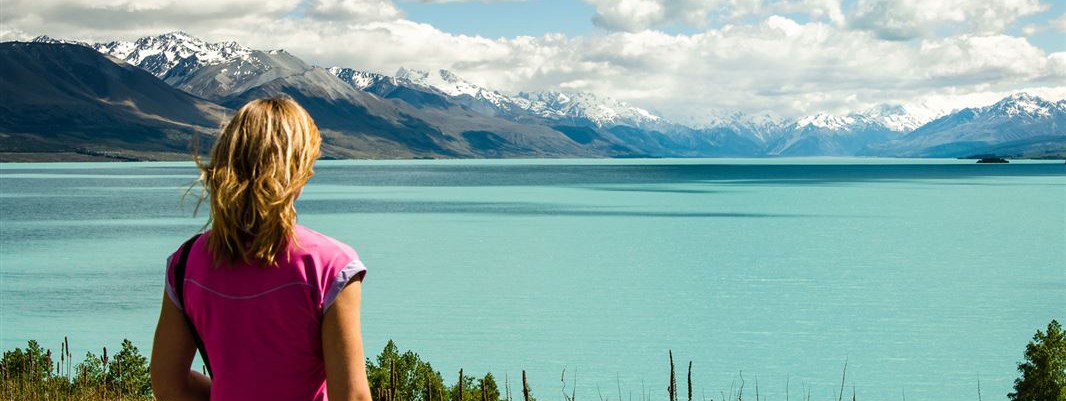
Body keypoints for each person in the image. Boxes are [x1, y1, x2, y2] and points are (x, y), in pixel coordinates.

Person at [150, 97, 372, 401]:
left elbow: (168, 384)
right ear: (295, 169)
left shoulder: (185, 263)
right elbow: (352, 397)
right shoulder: (331, 266)